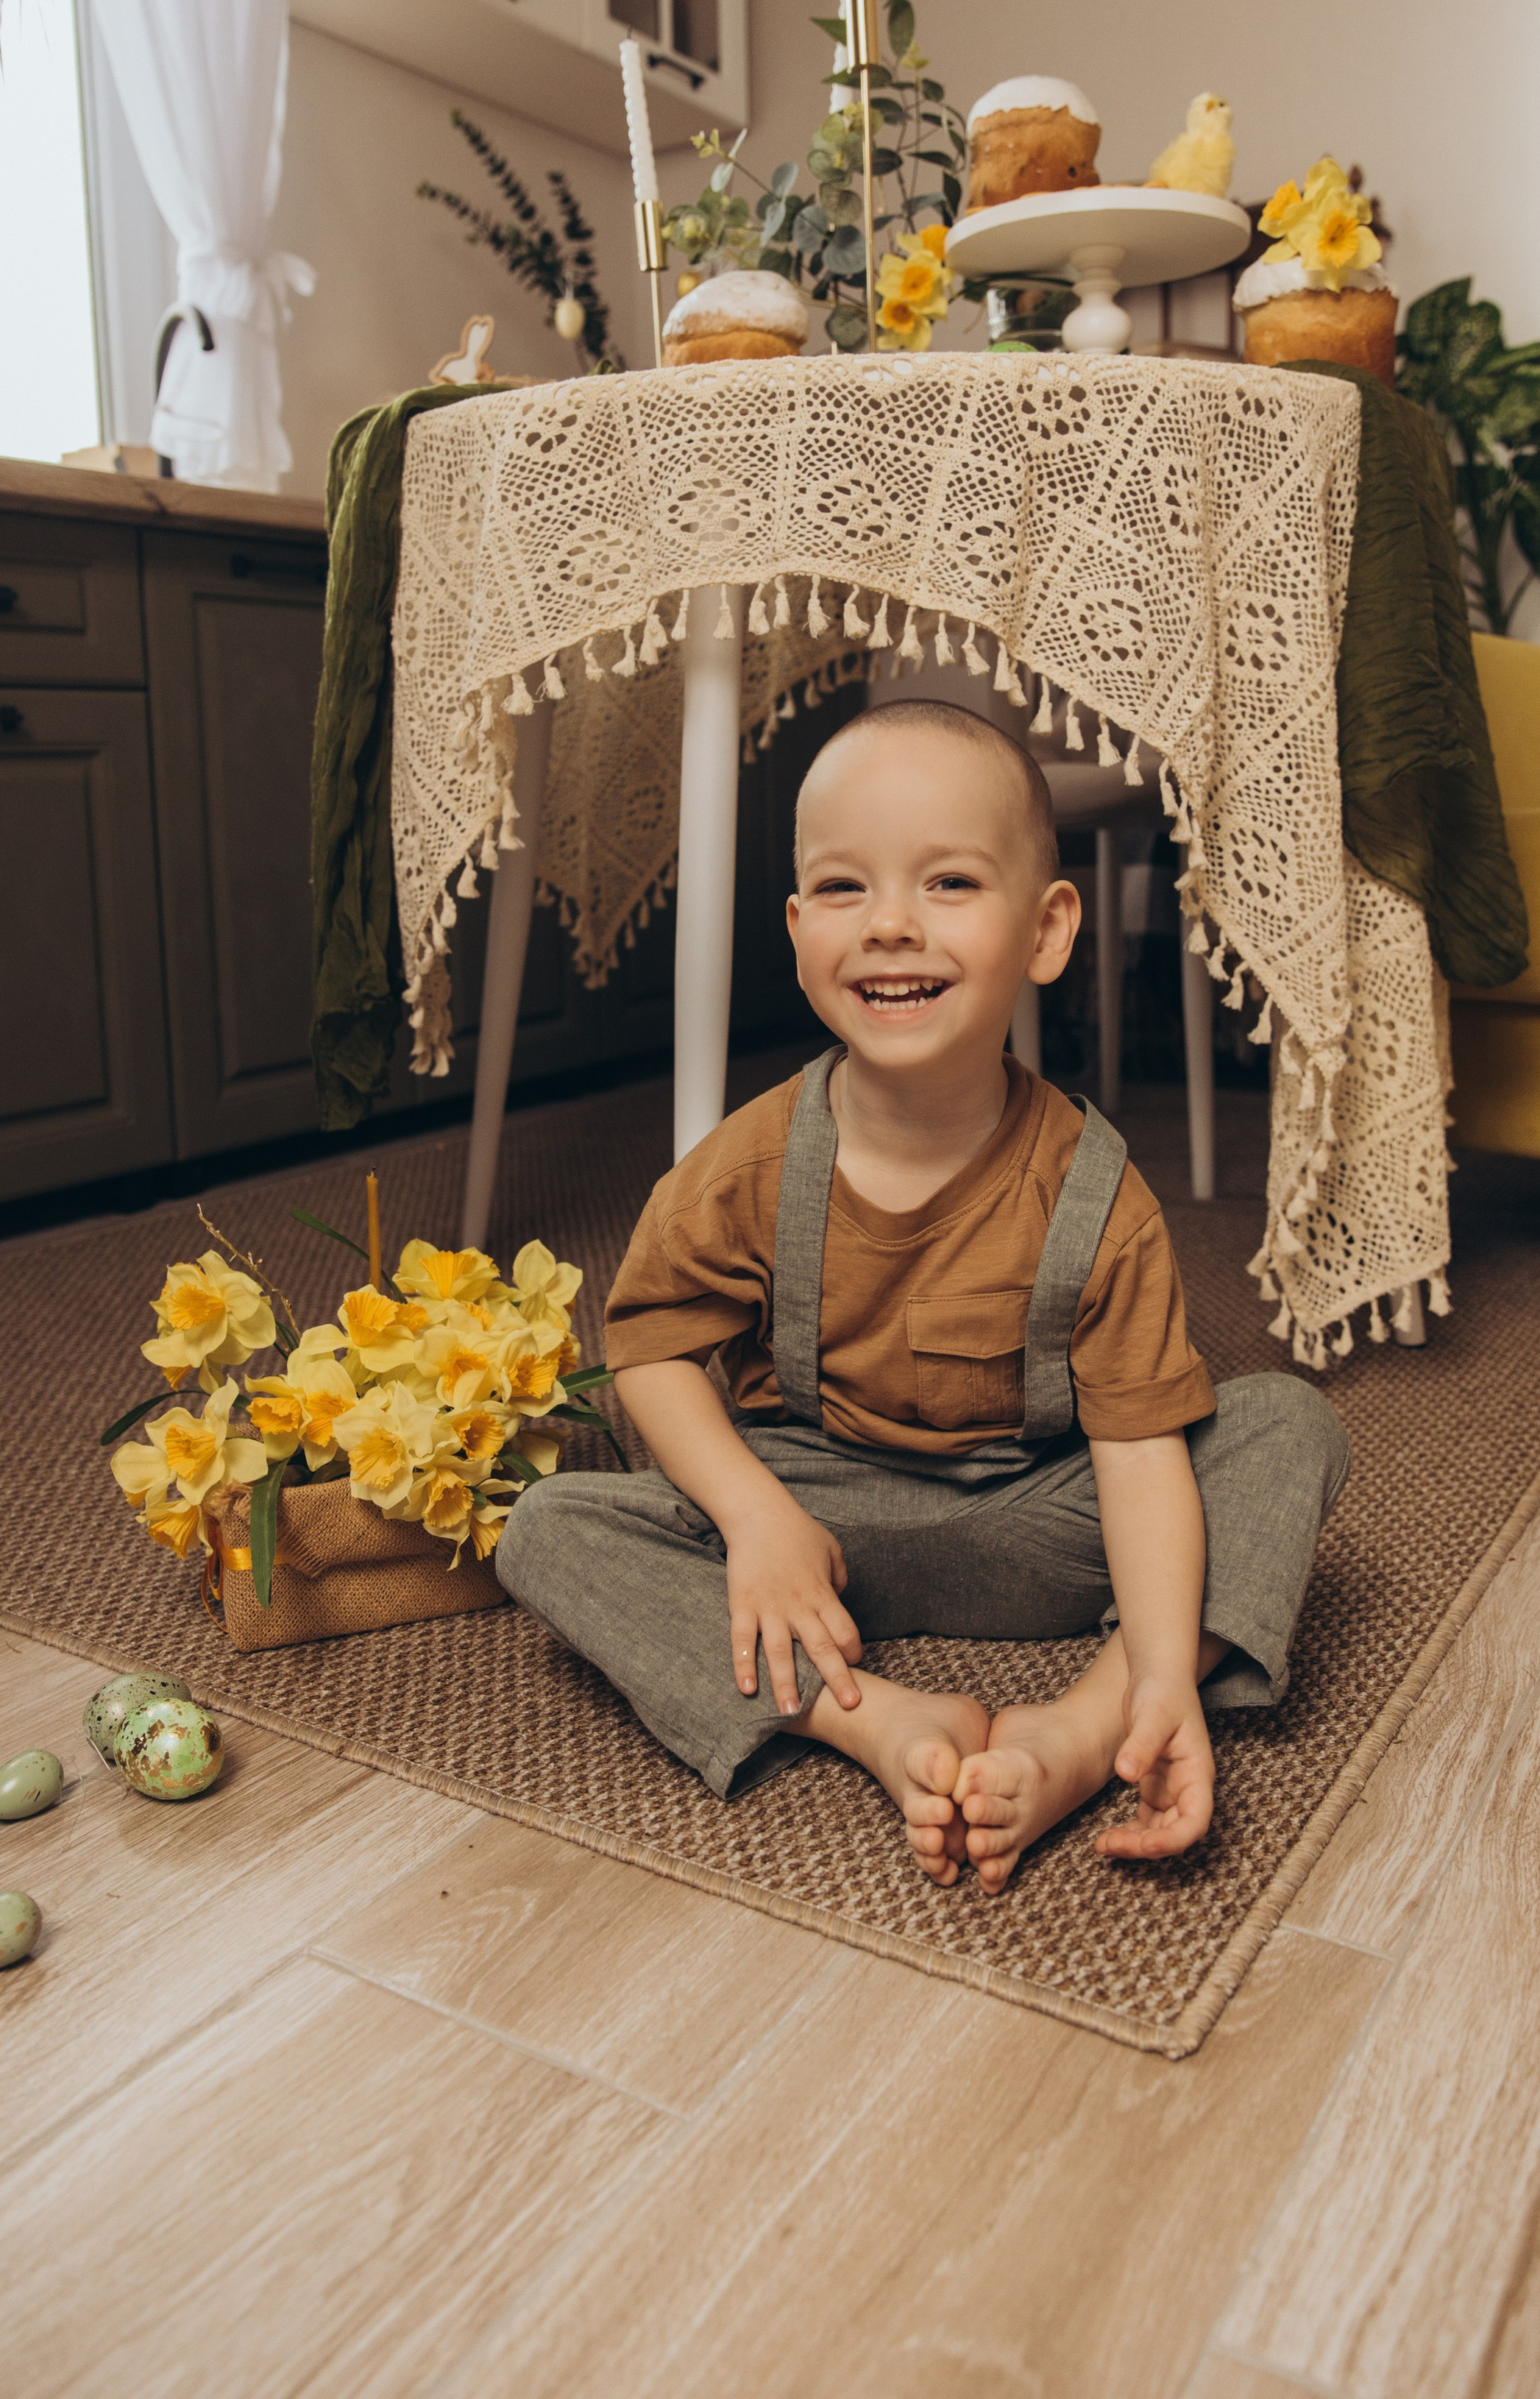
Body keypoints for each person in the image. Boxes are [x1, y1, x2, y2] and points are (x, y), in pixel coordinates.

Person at [498, 698, 1348, 1891]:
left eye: (949, 883)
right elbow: (645, 1352)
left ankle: (1093, 1724)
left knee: (1280, 1427)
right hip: (822, 1528)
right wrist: (755, 1519)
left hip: (1048, 1517)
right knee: (553, 1528)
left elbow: (1144, 1461)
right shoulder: (749, 1163)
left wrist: (1163, 1679)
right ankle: (878, 1722)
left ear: (1048, 929)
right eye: (846, 891)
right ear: (798, 932)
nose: (891, 926)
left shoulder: (1097, 1193)